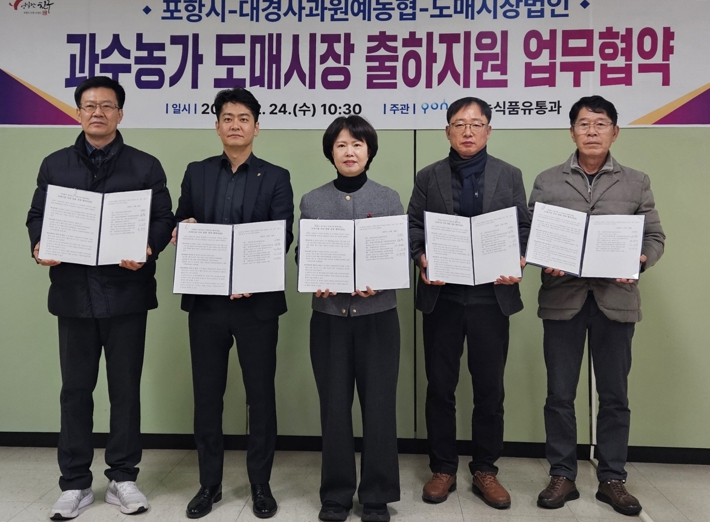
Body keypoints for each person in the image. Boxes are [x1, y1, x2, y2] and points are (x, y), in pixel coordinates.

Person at [26, 76, 174, 520]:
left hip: (126, 293)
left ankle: (123, 477)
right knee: (75, 390)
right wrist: (40, 244)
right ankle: (74, 483)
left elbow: (162, 219)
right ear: (77, 113)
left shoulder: (145, 166)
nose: (97, 112)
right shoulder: (55, 165)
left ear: (120, 114)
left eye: (107, 106)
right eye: (89, 105)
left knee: (125, 390)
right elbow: (37, 215)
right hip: (73, 295)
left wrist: (147, 247)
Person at [529, 95, 665, 516]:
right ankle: (562, 475)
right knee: (559, 394)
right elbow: (530, 234)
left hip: (615, 300)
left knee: (614, 396)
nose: (592, 131)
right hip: (562, 299)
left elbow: (654, 236)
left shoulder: (636, 181)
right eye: (584, 124)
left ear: (615, 132)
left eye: (600, 123)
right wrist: (541, 255)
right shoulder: (548, 181)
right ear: (572, 132)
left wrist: (640, 260)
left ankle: (612, 479)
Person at [174, 86, 294, 519]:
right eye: (228, 118)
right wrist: (182, 227)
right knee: (207, 396)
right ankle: (209, 484)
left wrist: (250, 275)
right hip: (207, 303)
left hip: (256, 304)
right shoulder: (197, 172)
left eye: (244, 118)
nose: (235, 125)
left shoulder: (276, 176)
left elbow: (282, 234)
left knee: (260, 396)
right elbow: (182, 218)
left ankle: (260, 482)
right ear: (217, 126)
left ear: (256, 127)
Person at [407, 97, 530, 509]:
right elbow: (413, 226)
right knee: (440, 387)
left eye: (476, 124)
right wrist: (422, 257)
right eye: (459, 124)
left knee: (489, 389)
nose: (468, 131)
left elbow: (523, 226)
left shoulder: (509, 175)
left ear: (489, 130)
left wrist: (520, 257)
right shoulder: (428, 176)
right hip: (443, 296)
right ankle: (442, 467)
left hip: (491, 298)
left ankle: (485, 469)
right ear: (447, 131)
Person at [298, 116, 402, 522]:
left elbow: (395, 255)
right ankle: (336, 495)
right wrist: (315, 276)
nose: (349, 152)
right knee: (334, 409)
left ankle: (376, 495)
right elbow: (304, 254)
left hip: (378, 319)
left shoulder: (389, 198)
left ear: (369, 151)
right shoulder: (312, 200)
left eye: (357, 144)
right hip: (329, 320)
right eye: (341, 145)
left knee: (379, 408)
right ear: (331, 152)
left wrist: (382, 280)